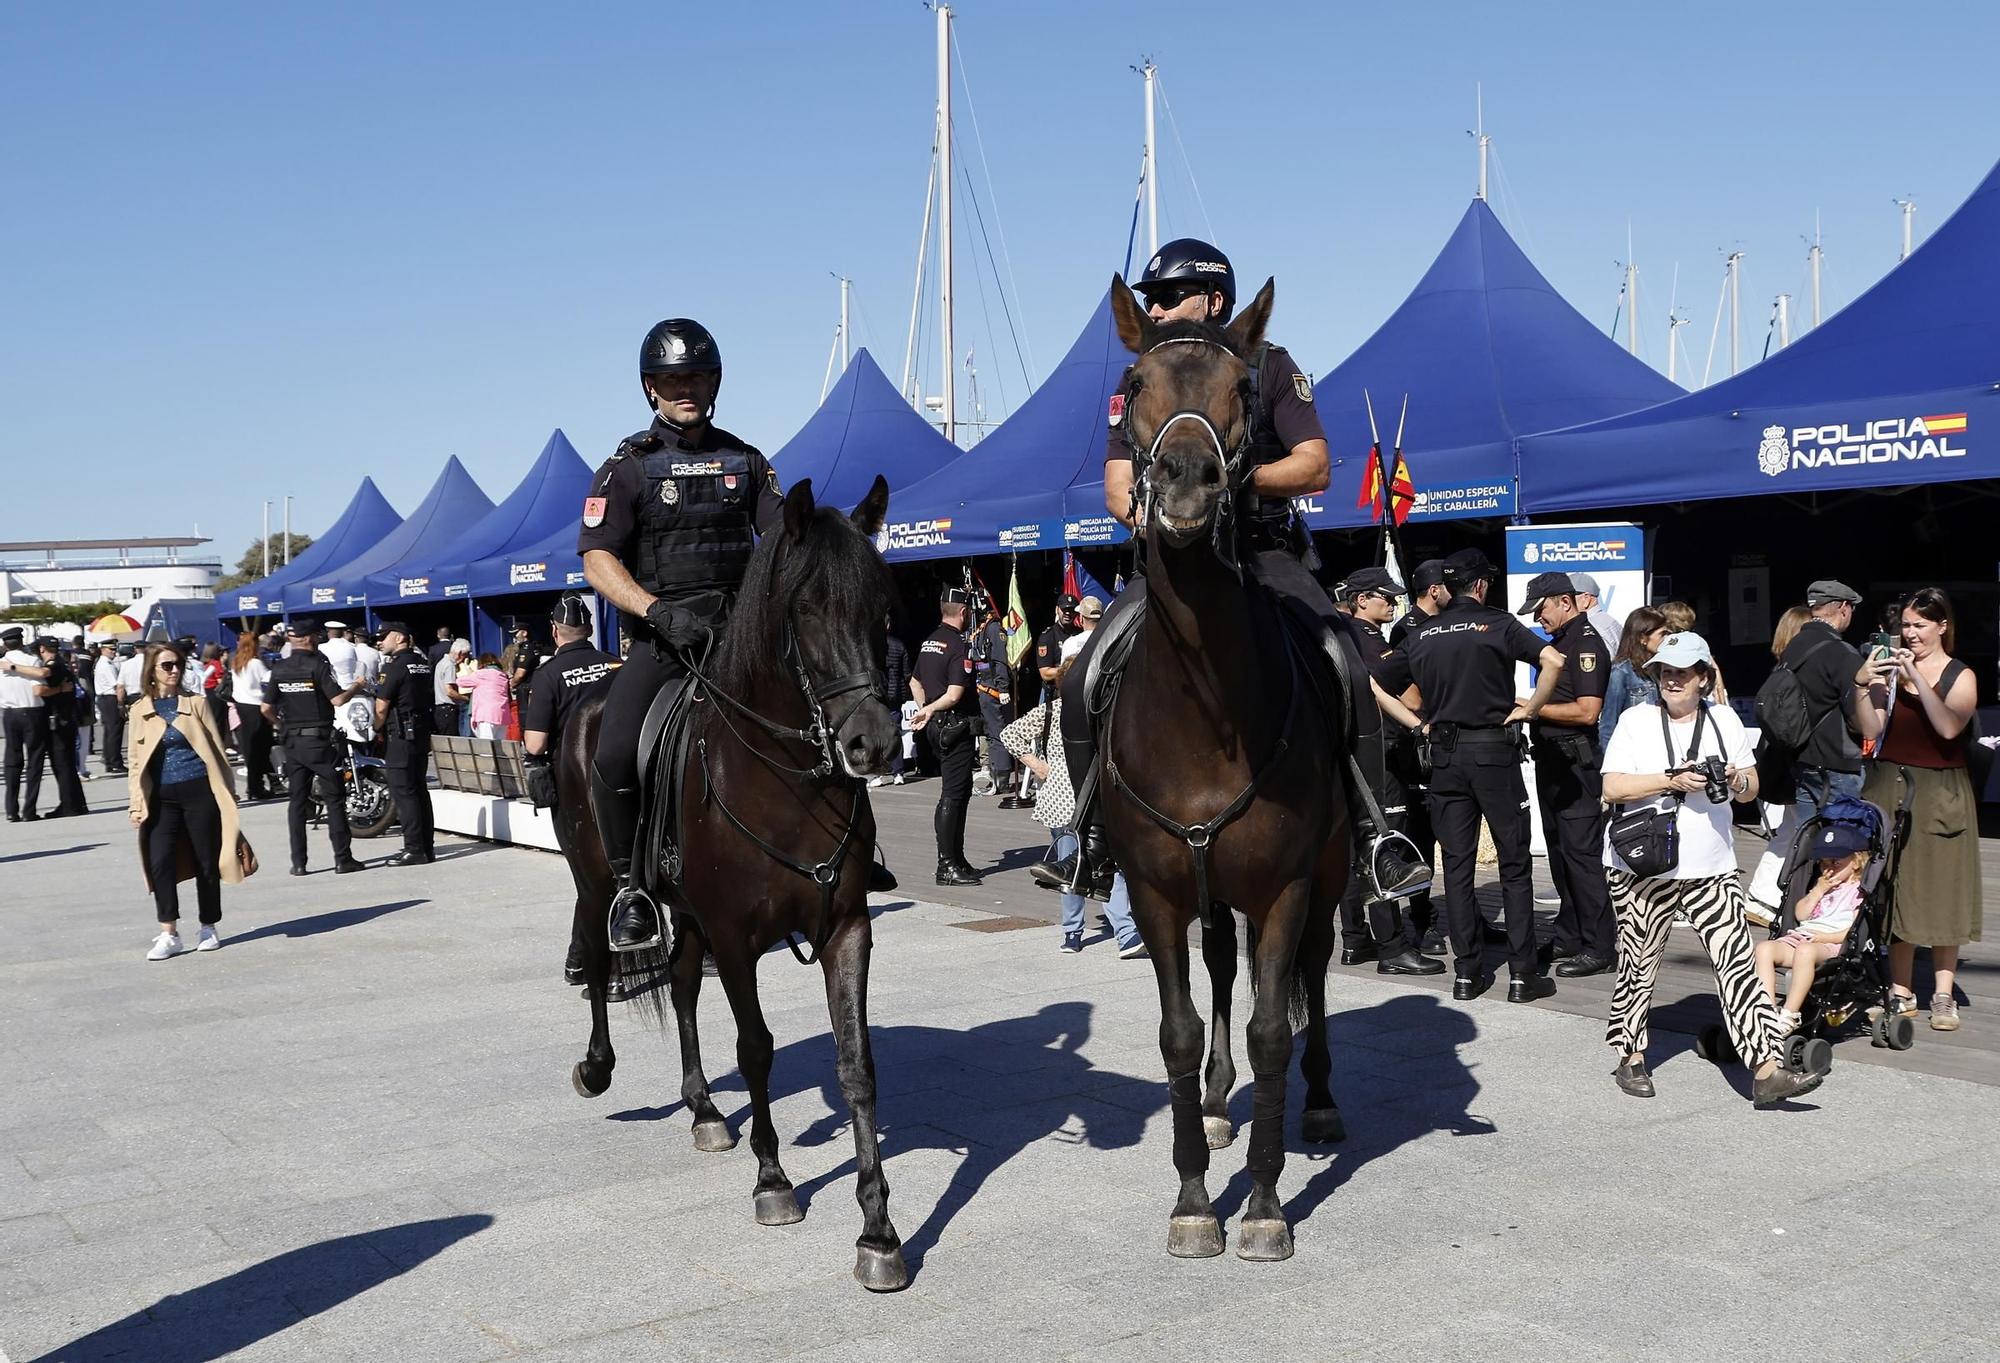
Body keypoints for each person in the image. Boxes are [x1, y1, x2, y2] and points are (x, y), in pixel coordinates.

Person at [1057, 243, 1426, 906]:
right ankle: (1089, 842)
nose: (1156, 307)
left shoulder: (1268, 365)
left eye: (1170, 296)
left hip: (1265, 554)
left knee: (1345, 660)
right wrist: (1167, 520)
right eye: (1150, 298)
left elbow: (1315, 464)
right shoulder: (1138, 377)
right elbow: (1117, 489)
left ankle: (1377, 835)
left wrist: (1230, 484)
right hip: (1170, 559)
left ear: (1215, 302)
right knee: (1085, 673)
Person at [578, 316, 785, 952]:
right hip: (666, 639)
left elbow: (783, 539)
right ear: (651, 389)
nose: (685, 388)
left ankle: (850, 850)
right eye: (672, 379)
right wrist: (654, 611)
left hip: (739, 637)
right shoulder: (628, 468)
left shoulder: (746, 460)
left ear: (714, 381)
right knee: (612, 755)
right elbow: (597, 559)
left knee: (827, 720)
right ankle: (628, 891)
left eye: (696, 376)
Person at [1598, 631, 1822, 1105]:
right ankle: (1631, 1056)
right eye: (1665, 670)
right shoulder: (1637, 720)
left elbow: (1752, 787)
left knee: (1738, 964)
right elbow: (1613, 787)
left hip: (1712, 867)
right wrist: (1670, 779)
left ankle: (1766, 1070)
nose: (1672, 679)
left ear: (1703, 676)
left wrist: (1736, 778)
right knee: (1639, 964)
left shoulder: (1724, 720)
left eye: (1682, 671)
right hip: (1643, 865)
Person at [1406, 548, 1567, 1002]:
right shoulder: (1498, 624)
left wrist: (1417, 722)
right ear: (1479, 586)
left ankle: (1466, 973)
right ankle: (1522, 975)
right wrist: (1531, 710)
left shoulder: (1423, 632)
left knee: (1455, 868)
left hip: (1445, 755)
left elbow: (1379, 682)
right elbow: (1553, 661)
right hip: (1493, 751)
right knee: (1515, 865)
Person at [1851, 586, 1981, 1032]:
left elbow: (1947, 727)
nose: (1910, 634)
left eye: (1919, 626)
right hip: (1891, 784)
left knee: (1946, 890)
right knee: (1894, 888)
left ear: (1942, 626)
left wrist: (1918, 679)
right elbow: (1871, 728)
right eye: (1905, 625)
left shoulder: (1960, 674)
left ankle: (1943, 996)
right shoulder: (1890, 669)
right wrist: (1863, 684)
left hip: (1941, 789)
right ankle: (1900, 991)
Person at [1337, 565, 1442, 976]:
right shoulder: (1362, 639)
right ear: (1362, 600)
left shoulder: (1346, 637)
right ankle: (1393, 947)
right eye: (1386, 596)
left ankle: (1354, 940)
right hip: (1378, 756)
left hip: (1360, 754)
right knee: (1384, 846)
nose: (1394, 602)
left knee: (1354, 847)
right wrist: (1419, 722)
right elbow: (1391, 695)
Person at [1000, 657, 1143, 956]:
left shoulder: (1098, 712)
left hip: (1092, 798)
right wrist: (1036, 764)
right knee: (1080, 865)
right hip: (1063, 800)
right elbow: (1009, 734)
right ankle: (1081, 931)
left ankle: (1111, 933)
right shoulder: (1053, 711)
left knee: (1097, 864)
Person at [1516, 571, 1616, 978]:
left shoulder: (1585, 643)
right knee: (1559, 854)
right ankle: (1569, 935)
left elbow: (1587, 710)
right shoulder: (1559, 643)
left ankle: (1598, 946)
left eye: (1541, 610)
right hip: (1553, 761)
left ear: (1564, 601)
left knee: (1581, 856)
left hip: (1576, 764)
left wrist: (1531, 708)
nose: (1539, 619)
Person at [127, 642, 252, 960]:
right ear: (152, 671)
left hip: (199, 791)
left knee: (207, 861)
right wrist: (135, 803)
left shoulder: (196, 703)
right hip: (161, 798)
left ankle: (209, 925)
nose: (174, 671)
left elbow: (217, 749)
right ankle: (168, 932)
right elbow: (135, 762)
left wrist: (228, 790)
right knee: (160, 864)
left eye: (177, 665)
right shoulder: (140, 709)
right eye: (166, 665)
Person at [262, 619, 365, 876]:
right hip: (319, 741)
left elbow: (266, 708)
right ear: (309, 638)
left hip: (293, 743)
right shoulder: (317, 666)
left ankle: (299, 863)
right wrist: (357, 686)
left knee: (296, 803)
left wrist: (282, 725)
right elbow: (338, 699)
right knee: (334, 800)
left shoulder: (280, 668)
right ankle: (343, 859)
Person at [1746, 605, 1818, 920]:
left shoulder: (1780, 672)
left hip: (1779, 764)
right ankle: (1767, 896)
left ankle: (1763, 896)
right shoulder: (1797, 676)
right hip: (1795, 765)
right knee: (1797, 830)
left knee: (1790, 829)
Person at [1754, 841, 1871, 1034]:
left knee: (1805, 951)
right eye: (1824, 864)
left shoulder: (1858, 890)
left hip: (1832, 943)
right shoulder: (1823, 887)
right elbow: (1801, 914)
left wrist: (1826, 937)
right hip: (1803, 938)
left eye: (1836, 863)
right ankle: (1767, 1010)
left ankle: (1789, 1013)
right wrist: (1817, 891)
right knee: (1764, 948)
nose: (1829, 869)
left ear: (1856, 862)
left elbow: (1854, 929)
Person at [1777, 580, 1866, 825]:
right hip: (1838, 765)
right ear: (1845, 608)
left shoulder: (1793, 647)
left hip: (1802, 763)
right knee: (1842, 850)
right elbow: (1859, 719)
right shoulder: (1843, 653)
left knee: (1807, 844)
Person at [912, 587, 984, 886]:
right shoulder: (958, 645)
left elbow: (914, 682)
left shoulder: (929, 641)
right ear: (964, 612)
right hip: (954, 727)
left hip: (936, 726)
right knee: (953, 796)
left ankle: (957, 858)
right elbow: (955, 694)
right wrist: (932, 709)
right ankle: (947, 865)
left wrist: (925, 710)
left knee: (960, 793)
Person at [372, 621, 437, 867]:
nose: (379, 642)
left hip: (399, 734)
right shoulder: (421, 663)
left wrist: (376, 728)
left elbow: (381, 705)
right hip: (420, 733)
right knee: (419, 791)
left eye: (384, 637)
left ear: (399, 637)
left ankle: (414, 849)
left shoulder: (395, 667)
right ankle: (426, 846)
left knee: (404, 792)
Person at [1597, 606, 1669, 748]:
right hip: (1634, 752)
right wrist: (1610, 766)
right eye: (1662, 634)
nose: (1667, 639)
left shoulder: (1663, 668)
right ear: (1643, 638)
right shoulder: (1621, 672)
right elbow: (1608, 725)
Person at [33, 638, 89, 817]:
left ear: (42, 649)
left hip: (59, 721)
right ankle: (77, 804)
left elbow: (41, 684)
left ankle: (69, 805)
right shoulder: (60, 663)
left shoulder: (54, 664)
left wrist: (11, 666)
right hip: (64, 720)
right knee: (66, 765)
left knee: (62, 765)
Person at [1, 626, 51, 822]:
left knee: (12, 762)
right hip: (32, 712)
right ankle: (29, 810)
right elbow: (39, 686)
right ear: (22, 641)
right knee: (35, 761)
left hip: (9, 713)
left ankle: (11, 810)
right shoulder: (31, 661)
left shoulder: (2, 663)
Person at [971, 600, 1019, 807]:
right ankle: (995, 773)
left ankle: (1001, 778)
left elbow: (999, 660)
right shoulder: (982, 629)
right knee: (990, 732)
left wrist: (1003, 688)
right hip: (983, 685)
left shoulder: (994, 630)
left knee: (998, 733)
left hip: (992, 687)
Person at [230, 630, 277, 800]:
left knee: (251, 748)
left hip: (242, 705)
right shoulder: (256, 663)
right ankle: (257, 787)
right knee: (261, 748)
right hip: (257, 705)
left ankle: (254, 785)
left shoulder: (236, 662)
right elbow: (268, 682)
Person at [869, 625, 911, 788]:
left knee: (876, 734)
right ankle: (898, 773)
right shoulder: (899, 645)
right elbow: (907, 672)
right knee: (896, 733)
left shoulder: (873, 646)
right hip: (896, 693)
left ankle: (877, 774)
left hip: (878, 693)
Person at [1388, 558, 1448, 648]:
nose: (1455, 591)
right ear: (1434, 591)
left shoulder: (1451, 620)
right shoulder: (1404, 630)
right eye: (1450, 586)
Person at [1566, 572, 1622, 660]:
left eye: (1569, 597)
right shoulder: (1609, 620)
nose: (1564, 603)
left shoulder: (1592, 626)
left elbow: (1604, 666)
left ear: (1586, 599)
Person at [457, 653, 512, 738]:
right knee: (500, 746)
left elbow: (460, 682)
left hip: (486, 715)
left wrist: (466, 669)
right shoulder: (503, 675)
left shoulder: (481, 674)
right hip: (502, 715)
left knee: (486, 747)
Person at [93, 640, 127, 776]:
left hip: (105, 698)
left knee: (110, 731)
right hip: (109, 698)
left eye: (114, 649)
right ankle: (115, 762)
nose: (113, 652)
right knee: (114, 731)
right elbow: (116, 685)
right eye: (110, 649)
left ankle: (109, 760)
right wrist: (121, 702)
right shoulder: (106, 665)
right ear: (103, 650)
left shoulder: (106, 663)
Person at [1035, 592, 1078, 695]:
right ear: (1057, 610)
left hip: (1076, 689)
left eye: (1071, 610)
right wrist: (1070, 669)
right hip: (1054, 692)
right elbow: (1045, 673)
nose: (1068, 613)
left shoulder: (1080, 634)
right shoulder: (1048, 636)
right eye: (1064, 610)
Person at [434, 638, 470, 736]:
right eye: (464, 655)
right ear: (459, 653)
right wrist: (466, 699)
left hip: (440, 709)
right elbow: (449, 691)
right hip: (448, 710)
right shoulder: (450, 666)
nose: (464, 659)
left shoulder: (441, 663)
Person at [319, 620, 361, 691]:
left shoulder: (321, 648)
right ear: (343, 632)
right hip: (351, 686)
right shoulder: (352, 647)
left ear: (328, 631)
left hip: (333, 688)